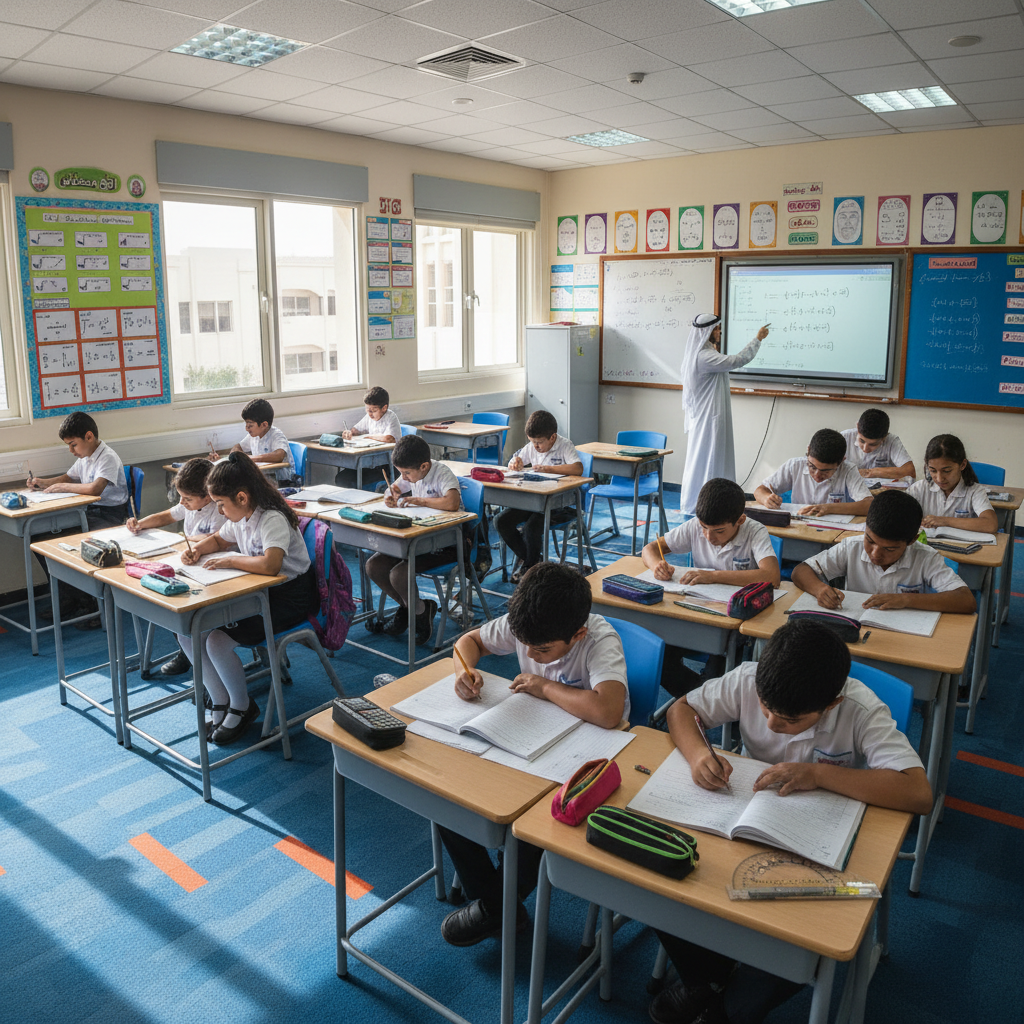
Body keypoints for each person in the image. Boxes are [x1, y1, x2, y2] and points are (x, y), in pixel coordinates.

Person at [650, 618, 932, 1024]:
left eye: (791, 720)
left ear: (831, 704)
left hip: (817, 837)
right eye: (765, 708)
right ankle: (705, 979)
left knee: (778, 967)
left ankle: (725, 995)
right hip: (742, 817)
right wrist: (698, 755)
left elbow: (917, 792)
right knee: (662, 874)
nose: (771, 724)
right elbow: (682, 709)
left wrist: (818, 774)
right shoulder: (750, 678)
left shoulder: (859, 709)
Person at [439, 562, 628, 946]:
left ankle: (497, 907)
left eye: (542, 650)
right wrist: (464, 671)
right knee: (447, 795)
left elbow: (608, 712)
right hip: (529, 738)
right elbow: (468, 642)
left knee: (538, 825)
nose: (531, 654)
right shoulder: (527, 624)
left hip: (587, 752)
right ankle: (500, 905)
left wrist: (543, 687)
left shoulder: (599, 640)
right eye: (526, 647)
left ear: (577, 634)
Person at [178, 452, 318, 744]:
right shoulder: (241, 517)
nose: (219, 511)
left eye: (220, 504)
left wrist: (231, 561)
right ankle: (219, 700)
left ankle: (242, 706)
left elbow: (271, 565)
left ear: (241, 497)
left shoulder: (271, 518)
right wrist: (199, 549)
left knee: (216, 641)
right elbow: (219, 539)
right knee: (188, 633)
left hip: (289, 599)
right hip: (259, 592)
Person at [640, 478, 779, 695]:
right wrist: (657, 565)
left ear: (740, 520)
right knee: (656, 656)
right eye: (704, 528)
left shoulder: (754, 531)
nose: (708, 536)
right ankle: (699, 698)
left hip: (734, 623)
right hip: (695, 614)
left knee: (715, 679)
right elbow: (650, 549)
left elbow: (771, 576)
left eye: (719, 531)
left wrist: (712, 576)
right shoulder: (696, 526)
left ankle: (705, 698)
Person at [792, 489, 975, 613]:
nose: (875, 554)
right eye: (870, 541)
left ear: (911, 540)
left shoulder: (925, 557)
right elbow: (801, 571)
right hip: (857, 627)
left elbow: (966, 600)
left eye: (889, 549)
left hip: (904, 635)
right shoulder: (851, 547)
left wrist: (906, 600)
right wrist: (820, 589)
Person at [27, 411, 129, 627]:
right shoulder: (86, 457)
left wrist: (62, 487)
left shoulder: (107, 456)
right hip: (89, 512)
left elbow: (94, 489)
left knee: (71, 542)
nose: (71, 451)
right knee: (40, 539)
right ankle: (69, 597)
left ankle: (91, 603)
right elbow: (68, 477)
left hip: (109, 516)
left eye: (73, 444)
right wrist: (43, 483)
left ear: (89, 437)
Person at [126, 458, 227, 677]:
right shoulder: (189, 505)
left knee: (183, 605)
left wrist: (183, 539)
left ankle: (197, 656)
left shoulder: (219, 509)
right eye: (180, 496)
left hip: (213, 571)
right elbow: (167, 515)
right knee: (167, 597)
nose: (182, 502)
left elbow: (215, 538)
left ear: (208, 495)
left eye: (187, 498)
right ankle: (186, 650)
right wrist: (141, 523)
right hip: (190, 566)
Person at [364, 434, 461, 644]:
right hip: (416, 540)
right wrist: (389, 495)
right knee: (374, 566)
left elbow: (452, 502)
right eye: (401, 473)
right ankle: (417, 609)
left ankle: (415, 611)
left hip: (446, 543)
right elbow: (397, 488)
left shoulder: (441, 473)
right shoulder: (410, 473)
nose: (404, 477)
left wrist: (420, 500)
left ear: (424, 466)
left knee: (399, 574)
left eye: (407, 473)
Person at [679, 314, 770, 514]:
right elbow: (737, 360)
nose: (720, 332)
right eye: (717, 329)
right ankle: (706, 505)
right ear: (708, 332)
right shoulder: (705, 356)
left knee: (709, 458)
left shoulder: (704, 353)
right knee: (710, 458)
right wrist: (758, 339)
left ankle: (713, 503)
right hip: (710, 420)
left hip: (709, 417)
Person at [498, 409, 583, 582]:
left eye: (539, 443)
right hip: (533, 501)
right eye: (532, 442)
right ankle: (535, 562)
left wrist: (549, 469)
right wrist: (515, 463)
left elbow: (577, 468)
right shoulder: (532, 447)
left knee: (531, 528)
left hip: (557, 505)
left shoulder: (565, 445)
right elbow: (515, 462)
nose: (536, 447)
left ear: (552, 437)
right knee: (501, 521)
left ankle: (530, 568)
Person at [754, 427, 873, 517]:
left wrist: (828, 508)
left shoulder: (848, 470)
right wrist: (766, 498)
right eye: (812, 466)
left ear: (841, 461)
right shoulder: (795, 465)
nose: (817, 475)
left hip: (832, 532)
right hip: (799, 527)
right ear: (808, 450)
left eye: (825, 471)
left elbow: (869, 505)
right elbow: (760, 490)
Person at [906, 434, 998, 535]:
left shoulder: (975, 491)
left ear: (962, 465)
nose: (940, 478)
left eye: (947, 471)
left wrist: (944, 521)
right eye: (933, 470)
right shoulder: (917, 489)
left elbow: (990, 524)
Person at [212, 398, 293, 483]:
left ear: (264, 424)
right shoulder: (253, 436)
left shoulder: (277, 435)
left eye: (250, 425)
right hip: (263, 479)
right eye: (246, 424)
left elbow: (279, 455)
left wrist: (251, 459)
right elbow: (237, 446)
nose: (246, 429)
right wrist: (236, 456)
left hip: (281, 481)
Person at [335, 386, 400, 488]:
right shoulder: (369, 417)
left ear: (384, 408)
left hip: (387, 467)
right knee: (342, 477)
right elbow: (356, 430)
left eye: (373, 410)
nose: (370, 414)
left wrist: (369, 437)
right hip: (370, 464)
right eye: (367, 410)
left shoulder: (391, 417)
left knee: (352, 481)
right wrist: (349, 433)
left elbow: (389, 438)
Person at [841, 408, 915, 481]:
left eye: (873, 444)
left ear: (884, 437)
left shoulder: (892, 441)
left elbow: (910, 471)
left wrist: (869, 472)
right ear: (857, 426)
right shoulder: (844, 437)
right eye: (862, 441)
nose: (865, 449)